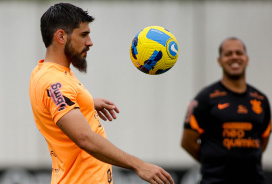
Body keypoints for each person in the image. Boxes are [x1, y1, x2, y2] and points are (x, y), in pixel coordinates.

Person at [29, 3, 174, 184]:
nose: (90, 42)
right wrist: (139, 165)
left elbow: (56, 101)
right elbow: (85, 138)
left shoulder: (44, 71)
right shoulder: (55, 82)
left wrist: (87, 102)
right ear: (61, 36)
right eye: (83, 35)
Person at [181, 37, 271, 184]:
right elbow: (187, 142)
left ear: (246, 59)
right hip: (215, 181)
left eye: (238, 53)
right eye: (228, 54)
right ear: (220, 61)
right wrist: (214, 160)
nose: (234, 57)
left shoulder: (261, 100)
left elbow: (263, 140)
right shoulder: (205, 98)